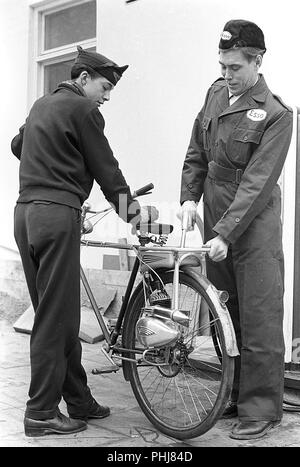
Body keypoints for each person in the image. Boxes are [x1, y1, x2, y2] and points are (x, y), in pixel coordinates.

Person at [11, 46, 158, 437]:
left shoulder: (42, 105)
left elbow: (16, 146)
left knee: (56, 313)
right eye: (105, 87)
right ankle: (41, 411)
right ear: (82, 79)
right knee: (55, 319)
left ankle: (78, 400)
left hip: (25, 215)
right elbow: (108, 171)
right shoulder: (83, 111)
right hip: (56, 217)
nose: (106, 97)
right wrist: (132, 213)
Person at [179, 19, 293, 440]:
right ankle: (235, 393)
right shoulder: (214, 94)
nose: (227, 74)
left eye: (235, 67)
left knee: (260, 315)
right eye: (223, 64)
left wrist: (226, 233)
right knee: (223, 311)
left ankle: (261, 409)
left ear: (257, 62)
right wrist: (190, 198)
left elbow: (259, 182)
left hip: (254, 223)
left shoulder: (278, 115)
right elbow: (197, 149)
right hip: (215, 212)